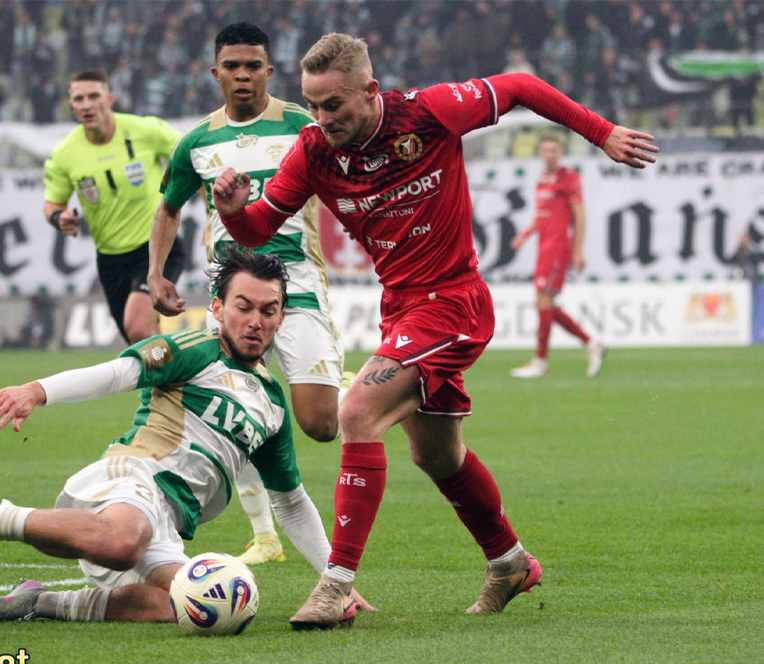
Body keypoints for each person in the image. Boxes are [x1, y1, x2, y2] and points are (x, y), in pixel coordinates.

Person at [210, 33, 658, 629]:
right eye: (313, 105)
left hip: (452, 302)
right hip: (400, 308)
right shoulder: (313, 151)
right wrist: (234, 210)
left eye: (333, 104)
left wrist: (601, 133)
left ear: (370, 91)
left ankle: (336, 584)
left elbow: (520, 86)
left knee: (356, 412)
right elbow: (260, 228)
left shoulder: (429, 112)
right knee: (437, 454)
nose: (321, 118)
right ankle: (510, 562)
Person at [0, 248, 374, 626]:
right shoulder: (195, 347)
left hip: (168, 521)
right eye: (244, 306)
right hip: (132, 480)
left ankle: (41, 602)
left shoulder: (274, 406)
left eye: (268, 311)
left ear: (282, 317)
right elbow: (117, 374)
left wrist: (336, 580)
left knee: (198, 606)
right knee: (123, 540)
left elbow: (291, 502)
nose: (256, 321)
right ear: (219, 307)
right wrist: (37, 391)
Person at [149, 23, 347, 567]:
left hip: (296, 285)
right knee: (233, 415)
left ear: (269, 71)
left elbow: (345, 180)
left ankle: (345, 383)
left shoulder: (302, 125)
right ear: (215, 73)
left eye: (253, 66)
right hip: (231, 295)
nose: (243, 75)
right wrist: (155, 273)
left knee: (320, 426)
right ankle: (265, 535)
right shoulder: (197, 142)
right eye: (232, 66)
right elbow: (169, 207)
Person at [44, 69, 186, 344]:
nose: (87, 105)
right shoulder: (64, 154)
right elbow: (52, 203)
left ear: (109, 99)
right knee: (142, 342)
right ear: (71, 106)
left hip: (155, 248)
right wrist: (58, 217)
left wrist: (209, 207)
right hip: (110, 260)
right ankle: (176, 372)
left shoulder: (145, 130)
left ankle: (177, 369)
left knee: (138, 328)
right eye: (79, 99)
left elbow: (191, 154)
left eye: (93, 96)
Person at [510, 134, 605, 379]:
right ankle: (591, 343)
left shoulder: (569, 178)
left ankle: (541, 361)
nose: (549, 155)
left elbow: (580, 215)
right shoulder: (542, 179)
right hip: (543, 247)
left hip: (559, 247)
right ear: (540, 153)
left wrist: (578, 251)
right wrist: (523, 236)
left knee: (544, 301)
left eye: (553, 150)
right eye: (545, 150)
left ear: (561, 152)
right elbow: (540, 214)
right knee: (545, 304)